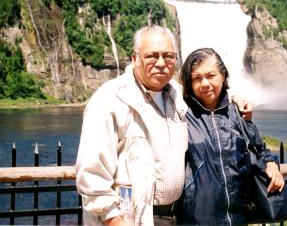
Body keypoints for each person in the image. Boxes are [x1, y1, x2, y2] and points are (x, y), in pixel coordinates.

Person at [75, 26, 252, 226]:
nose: (161, 63)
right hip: (130, 219)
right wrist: (113, 219)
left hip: (176, 216)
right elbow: (91, 173)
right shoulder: (108, 101)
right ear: (135, 59)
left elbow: (211, 96)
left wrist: (236, 101)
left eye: (168, 56)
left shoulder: (178, 95)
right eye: (152, 56)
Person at [176, 48, 285, 225]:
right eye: (197, 78)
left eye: (211, 75)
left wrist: (272, 164)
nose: (204, 83)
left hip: (237, 219)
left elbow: (259, 151)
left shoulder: (237, 114)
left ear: (223, 75)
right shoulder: (180, 113)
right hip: (195, 219)